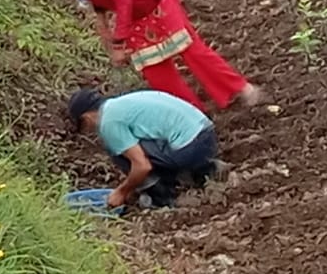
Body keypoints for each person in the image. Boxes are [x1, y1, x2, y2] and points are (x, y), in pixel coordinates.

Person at [43, 0, 263, 112]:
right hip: (135, 20)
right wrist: (109, 44)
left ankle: (241, 88)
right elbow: (99, 10)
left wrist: (120, 42)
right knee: (156, 73)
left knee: (192, 51)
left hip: (157, 5)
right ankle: (193, 115)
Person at [68, 87, 227, 210]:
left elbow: (142, 166)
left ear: (86, 118)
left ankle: (160, 196)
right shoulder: (120, 104)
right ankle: (204, 170)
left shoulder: (108, 122)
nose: (89, 130)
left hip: (192, 146)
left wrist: (122, 191)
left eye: (84, 126)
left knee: (118, 150)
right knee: (138, 143)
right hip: (205, 134)